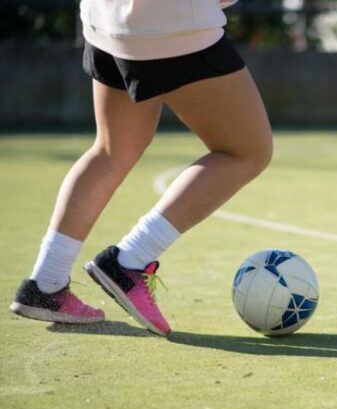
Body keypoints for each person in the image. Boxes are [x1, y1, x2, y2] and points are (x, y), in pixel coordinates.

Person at [9, 0, 272, 336]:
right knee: (247, 151)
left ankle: (45, 283)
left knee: (112, 148)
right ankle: (129, 261)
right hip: (170, 24)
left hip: (106, 19)